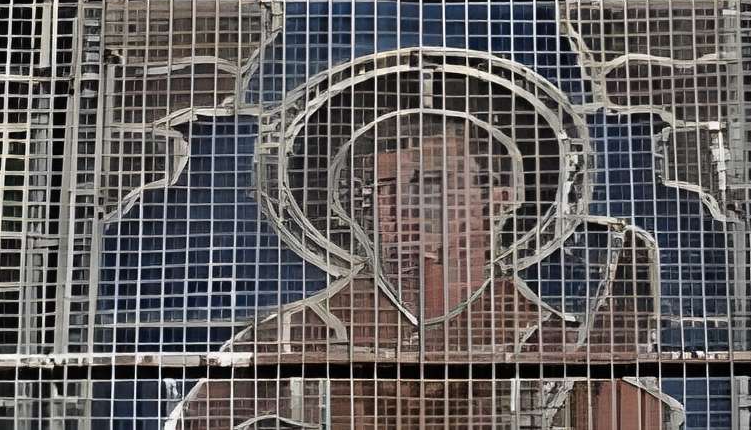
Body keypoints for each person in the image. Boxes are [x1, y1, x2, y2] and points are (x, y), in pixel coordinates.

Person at [171, 87, 670, 430]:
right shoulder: (286, 341)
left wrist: (608, 381)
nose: (401, 206)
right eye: (379, 189)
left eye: (430, 185)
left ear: (499, 196)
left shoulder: (557, 347)